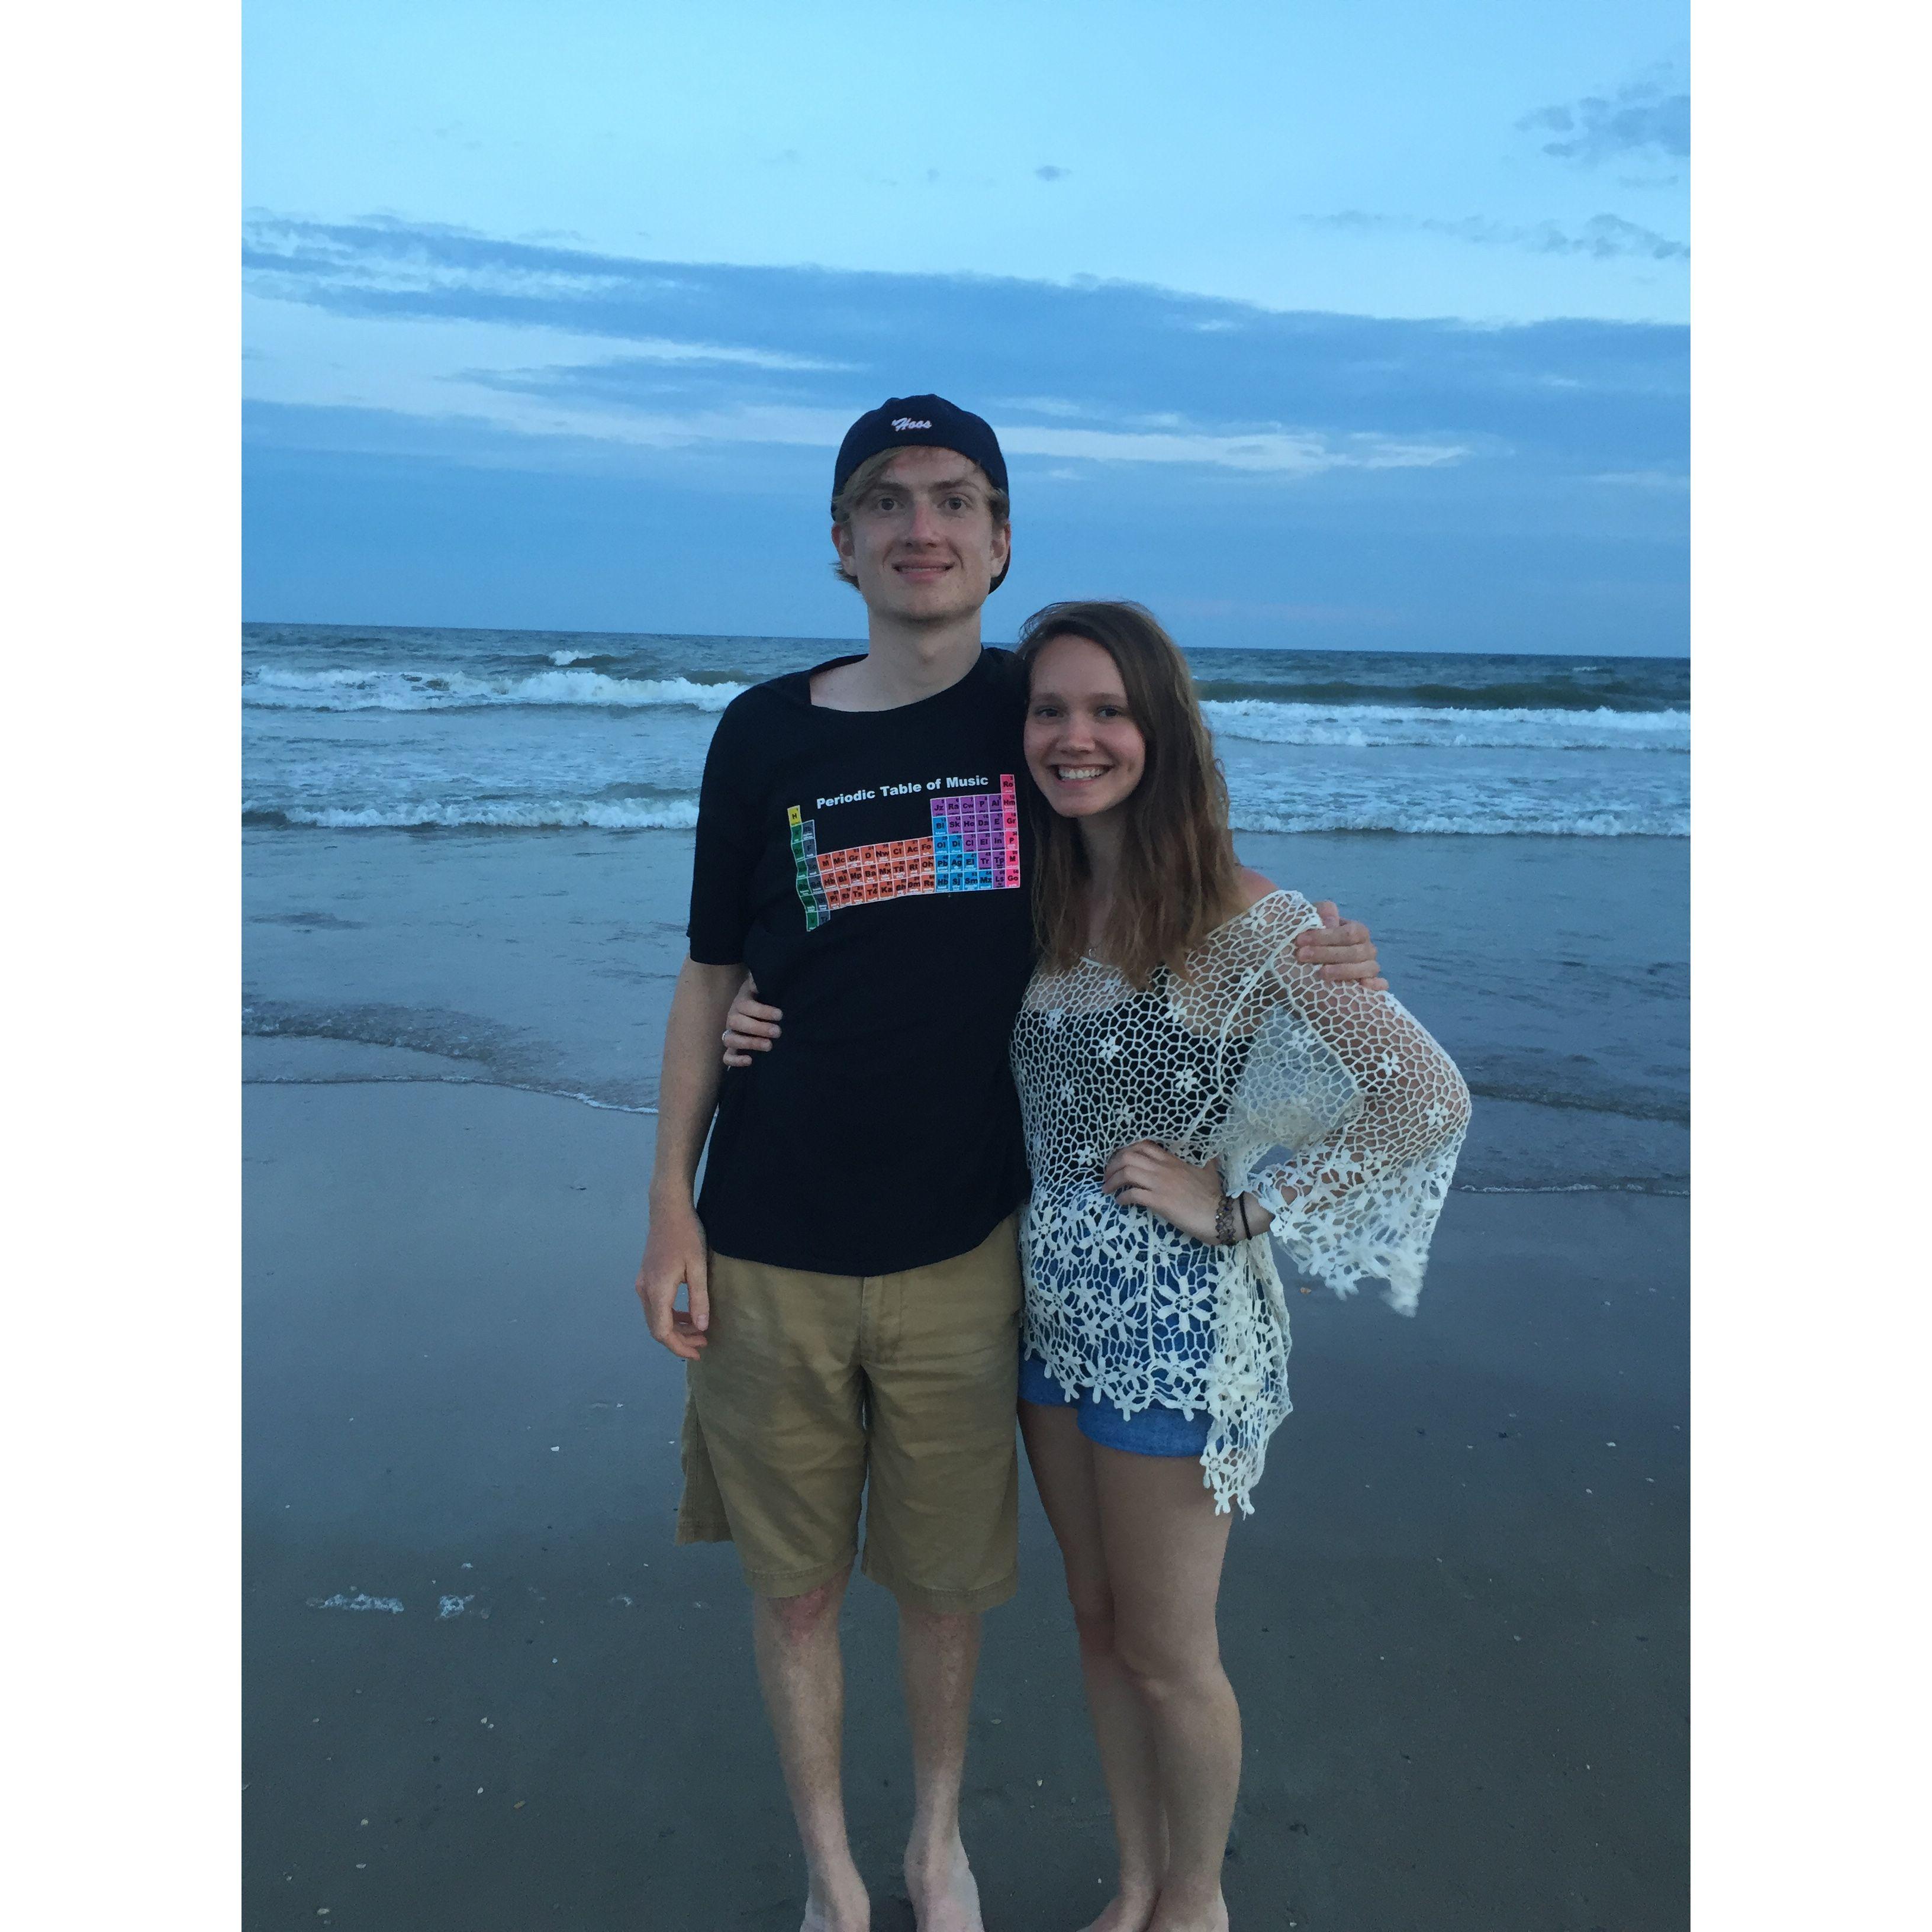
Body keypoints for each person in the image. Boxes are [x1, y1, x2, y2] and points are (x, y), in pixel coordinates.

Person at [636, 395, 1386, 1932]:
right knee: (792, 1589)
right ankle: (836, 1877)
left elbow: (1159, 833)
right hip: (768, 1231)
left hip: (976, 1249)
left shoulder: (1029, 715)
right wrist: (667, 1203)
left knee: (945, 1589)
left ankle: (935, 1847)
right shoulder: (762, 732)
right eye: (890, 501)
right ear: (841, 543)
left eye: (958, 500)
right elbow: (716, 977)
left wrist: (1318, 951)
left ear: (1000, 540)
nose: (924, 526)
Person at [1007, 600, 1470, 1932]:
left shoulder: (1241, 918)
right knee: (1099, 1630)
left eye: (1108, 710)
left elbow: (1420, 1096)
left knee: (1168, 1652)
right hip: (1044, 1324)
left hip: (1175, 1325)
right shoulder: (1038, 900)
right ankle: (1138, 1884)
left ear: (1162, 728)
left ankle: (1198, 1905)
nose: (1077, 737)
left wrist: (1243, 1207)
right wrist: (759, 1001)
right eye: (1050, 711)